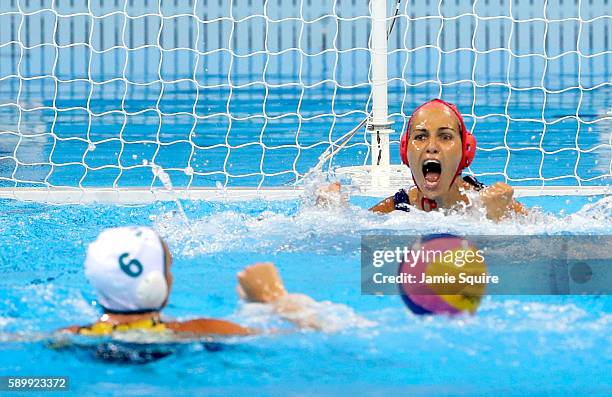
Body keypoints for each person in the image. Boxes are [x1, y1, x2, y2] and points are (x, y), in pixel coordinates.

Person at [59, 227, 340, 337]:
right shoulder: (201, 330)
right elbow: (324, 331)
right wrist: (276, 298)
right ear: (156, 283)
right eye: (168, 268)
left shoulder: (69, 336)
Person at [317, 99, 525, 221]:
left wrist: (499, 220)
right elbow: (351, 236)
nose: (431, 147)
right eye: (421, 137)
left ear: (466, 152)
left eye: (445, 137)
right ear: (405, 152)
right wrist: (330, 213)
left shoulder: (490, 203)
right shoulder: (399, 208)